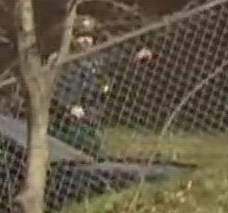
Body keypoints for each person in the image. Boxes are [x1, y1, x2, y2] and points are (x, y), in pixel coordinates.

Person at [51, 15, 152, 154]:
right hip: (67, 119)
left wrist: (135, 56)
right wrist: (69, 106)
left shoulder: (97, 60)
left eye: (89, 36)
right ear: (72, 38)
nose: (86, 40)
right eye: (81, 36)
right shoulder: (63, 61)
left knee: (92, 147)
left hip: (92, 116)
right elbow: (55, 89)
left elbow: (117, 63)